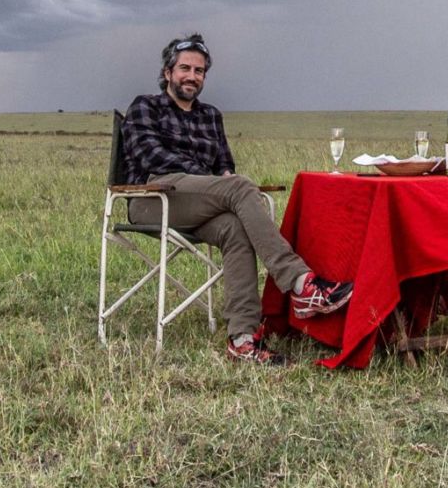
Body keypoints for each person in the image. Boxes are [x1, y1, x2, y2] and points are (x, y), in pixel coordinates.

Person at [122, 33, 352, 366]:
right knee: (241, 188)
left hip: (197, 201)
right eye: (184, 68)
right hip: (151, 197)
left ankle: (242, 338)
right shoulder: (145, 106)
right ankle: (302, 284)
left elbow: (224, 165)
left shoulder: (210, 116)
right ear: (168, 71)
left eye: (199, 71)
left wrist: (222, 177)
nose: (192, 76)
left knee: (236, 227)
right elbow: (151, 157)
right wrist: (221, 182)